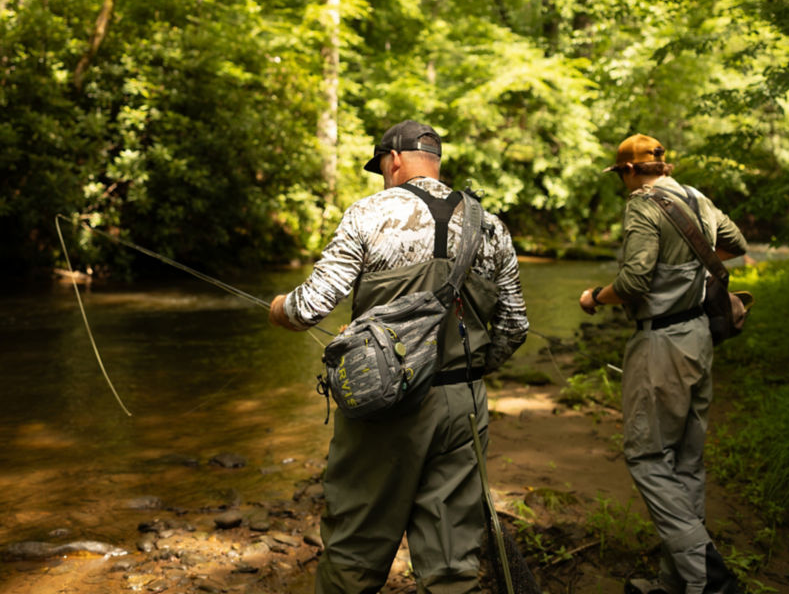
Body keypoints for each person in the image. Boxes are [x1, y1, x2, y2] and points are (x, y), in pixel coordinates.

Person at [269, 119, 529, 594]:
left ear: (393, 160)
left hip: (387, 405)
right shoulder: (490, 225)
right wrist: (467, 374)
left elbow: (311, 306)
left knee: (354, 552)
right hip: (464, 405)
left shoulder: (370, 214)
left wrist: (279, 309)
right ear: (436, 160)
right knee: (453, 563)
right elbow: (515, 327)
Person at [578, 134, 747, 594]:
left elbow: (634, 279)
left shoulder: (642, 204)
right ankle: (680, 583)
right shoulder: (696, 197)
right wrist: (691, 268)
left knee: (648, 457)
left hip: (662, 344)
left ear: (629, 171)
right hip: (700, 337)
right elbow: (736, 243)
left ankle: (707, 576)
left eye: (621, 175)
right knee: (687, 462)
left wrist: (595, 297)